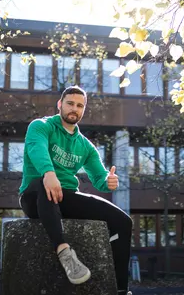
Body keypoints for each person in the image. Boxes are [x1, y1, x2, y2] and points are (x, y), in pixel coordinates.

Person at [18, 86, 133, 295]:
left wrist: (108, 180)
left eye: (80, 106)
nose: (75, 109)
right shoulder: (41, 127)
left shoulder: (85, 146)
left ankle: (121, 289)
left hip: (65, 196)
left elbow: (98, 177)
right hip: (34, 196)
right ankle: (64, 253)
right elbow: (37, 148)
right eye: (70, 103)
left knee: (123, 222)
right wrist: (48, 172)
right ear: (60, 105)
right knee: (47, 185)